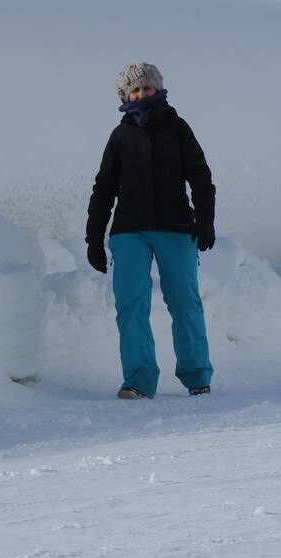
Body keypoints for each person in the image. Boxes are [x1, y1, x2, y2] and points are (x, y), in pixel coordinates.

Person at [85, 62, 215, 400]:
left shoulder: (178, 128)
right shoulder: (120, 136)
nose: (142, 93)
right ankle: (138, 381)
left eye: (147, 87)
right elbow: (103, 188)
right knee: (131, 305)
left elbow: (200, 176)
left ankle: (197, 375)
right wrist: (94, 239)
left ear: (158, 89)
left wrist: (205, 221)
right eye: (135, 89)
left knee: (185, 303)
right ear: (125, 95)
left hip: (176, 228)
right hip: (130, 231)